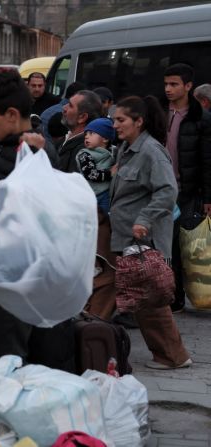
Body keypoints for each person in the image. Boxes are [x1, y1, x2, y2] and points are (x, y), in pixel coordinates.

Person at [0, 71, 72, 372]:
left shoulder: (35, 154)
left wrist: (39, 150)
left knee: (6, 358)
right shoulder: (0, 144)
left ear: (12, 114)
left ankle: (8, 415)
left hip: (15, 275)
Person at [110, 95, 192, 370]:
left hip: (145, 238)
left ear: (139, 121)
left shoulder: (152, 151)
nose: (116, 125)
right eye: (114, 120)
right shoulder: (127, 148)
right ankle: (167, 354)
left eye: (121, 120)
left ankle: (173, 356)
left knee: (151, 300)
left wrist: (144, 219)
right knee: (143, 299)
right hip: (126, 236)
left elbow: (168, 191)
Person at [162, 63, 211, 313]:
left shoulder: (200, 118)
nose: (169, 89)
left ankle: (178, 296)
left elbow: (207, 160)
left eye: (174, 84)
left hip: (187, 192)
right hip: (161, 190)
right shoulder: (160, 112)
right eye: (166, 84)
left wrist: (207, 197)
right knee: (164, 245)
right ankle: (170, 294)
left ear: (188, 86)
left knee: (181, 246)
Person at [76, 117, 116, 214]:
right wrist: (110, 173)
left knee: (106, 220)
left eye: (91, 133)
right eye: (86, 134)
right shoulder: (84, 155)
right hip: (91, 195)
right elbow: (90, 174)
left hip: (106, 194)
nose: (86, 137)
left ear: (105, 138)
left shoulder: (114, 151)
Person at [59, 90, 103, 173]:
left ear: (82, 117)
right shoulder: (67, 139)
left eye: (70, 106)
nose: (64, 108)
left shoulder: (84, 150)